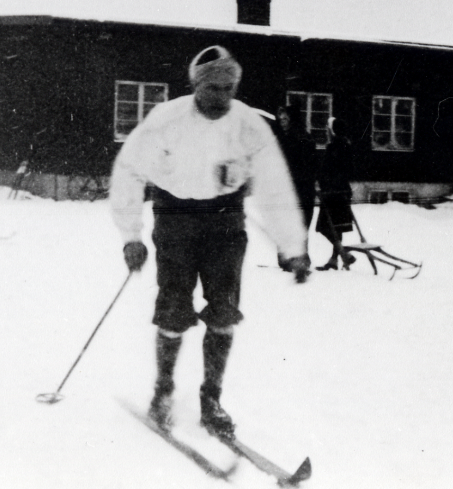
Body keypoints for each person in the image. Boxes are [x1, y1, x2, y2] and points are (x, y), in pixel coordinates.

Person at [109, 45, 310, 438]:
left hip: (225, 223)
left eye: (229, 88)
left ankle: (211, 399)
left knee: (223, 312)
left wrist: (294, 248)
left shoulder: (250, 126)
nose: (222, 97)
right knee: (173, 309)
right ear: (196, 84)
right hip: (175, 219)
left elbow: (274, 187)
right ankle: (163, 391)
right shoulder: (165, 120)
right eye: (213, 88)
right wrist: (130, 235)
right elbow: (128, 170)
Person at [274, 104, 317, 269]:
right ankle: (300, 258)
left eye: (285, 119)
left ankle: (289, 259)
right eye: (281, 119)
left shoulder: (289, 139)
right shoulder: (307, 137)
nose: (282, 122)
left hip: (295, 189)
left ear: (293, 119)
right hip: (304, 189)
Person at [315, 117, 357, 270]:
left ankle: (342, 253)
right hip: (342, 192)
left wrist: (323, 184)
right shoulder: (346, 145)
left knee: (324, 227)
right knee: (337, 227)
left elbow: (329, 170)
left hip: (332, 194)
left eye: (328, 129)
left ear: (332, 131)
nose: (326, 132)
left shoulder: (333, 147)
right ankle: (334, 260)